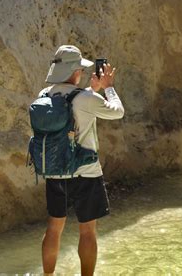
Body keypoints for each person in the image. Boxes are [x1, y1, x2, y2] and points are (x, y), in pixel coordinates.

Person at [40, 45, 124, 275]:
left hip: (55, 172)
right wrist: (108, 88)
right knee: (87, 231)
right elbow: (117, 112)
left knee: (53, 228)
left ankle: (48, 274)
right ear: (74, 72)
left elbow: (72, 103)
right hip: (85, 173)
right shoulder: (85, 98)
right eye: (80, 69)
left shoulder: (44, 96)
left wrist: (91, 89)